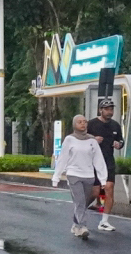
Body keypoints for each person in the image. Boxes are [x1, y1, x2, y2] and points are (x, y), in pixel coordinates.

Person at [52, 114, 109, 239]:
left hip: (89, 176)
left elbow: (98, 160)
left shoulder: (92, 140)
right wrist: (56, 177)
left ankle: (76, 224)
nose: (83, 124)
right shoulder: (69, 139)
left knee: (84, 202)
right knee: (80, 201)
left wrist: (103, 178)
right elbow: (62, 159)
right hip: (74, 175)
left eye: (84, 121)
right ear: (74, 124)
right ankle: (82, 226)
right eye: (79, 122)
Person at [85, 100, 124, 233]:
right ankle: (80, 211)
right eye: (106, 109)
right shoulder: (91, 124)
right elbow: (79, 139)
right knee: (95, 192)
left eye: (111, 109)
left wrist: (119, 144)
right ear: (100, 110)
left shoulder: (115, 125)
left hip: (108, 162)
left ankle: (104, 221)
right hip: (93, 162)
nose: (109, 112)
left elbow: (121, 140)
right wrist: (92, 139)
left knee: (109, 188)